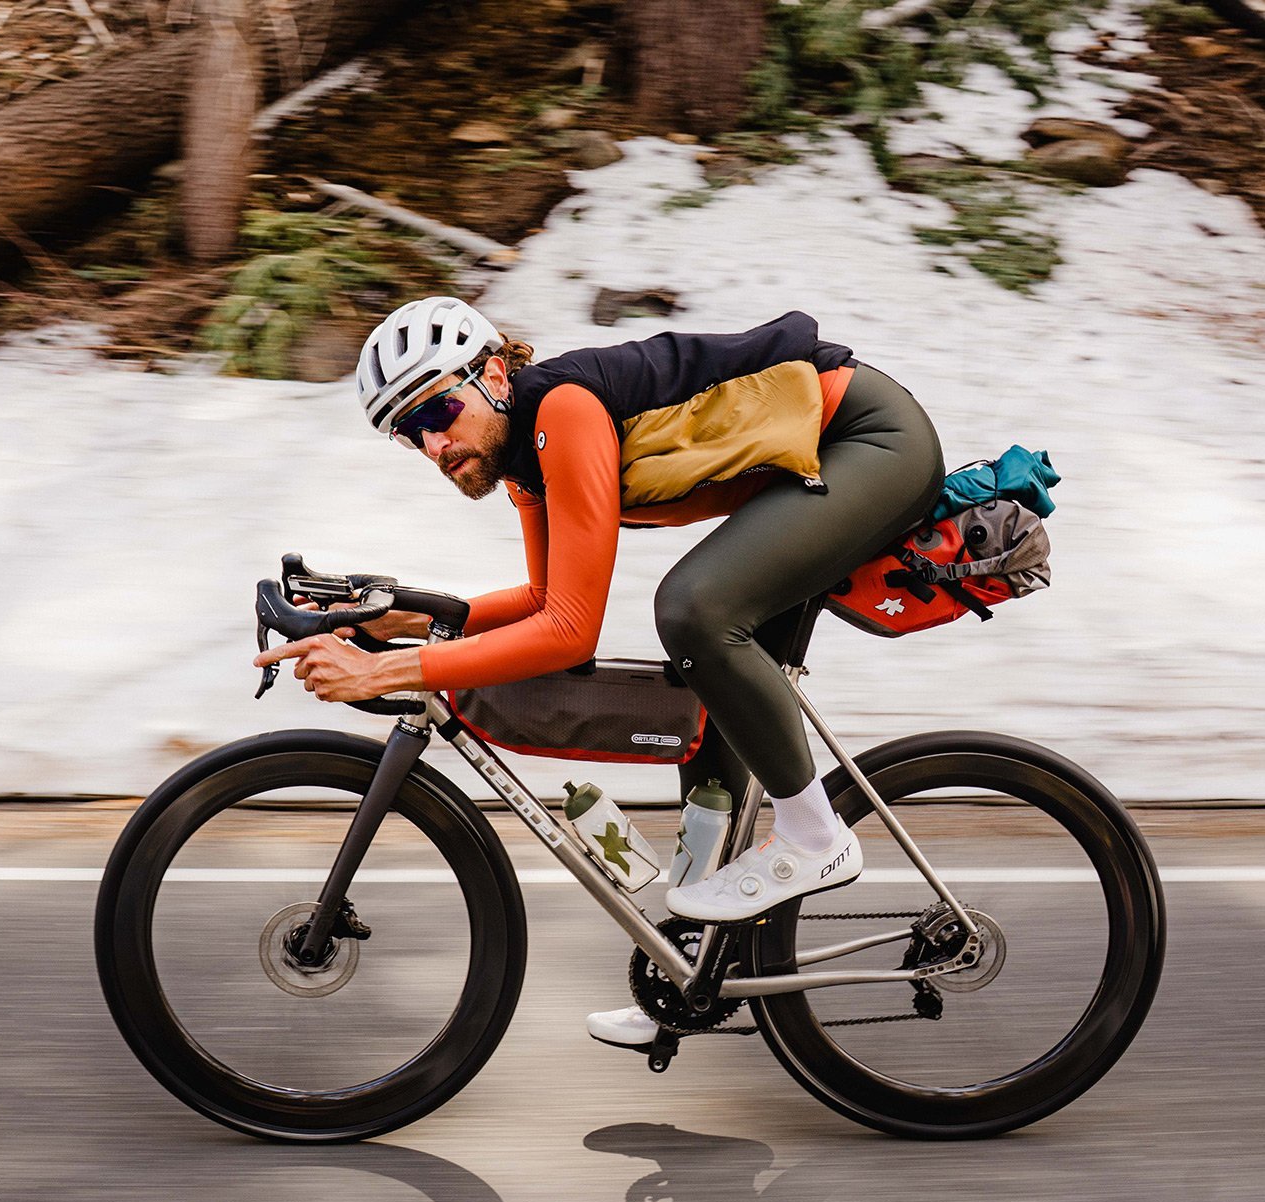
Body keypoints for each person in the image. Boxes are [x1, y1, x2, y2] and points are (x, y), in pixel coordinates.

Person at [257, 295, 944, 1050]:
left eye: (438, 412)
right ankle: (693, 969)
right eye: (408, 435)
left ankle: (816, 835)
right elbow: (545, 599)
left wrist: (385, 670)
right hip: (806, 473)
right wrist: (403, 618)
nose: (433, 445)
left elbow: (567, 632)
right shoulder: (523, 461)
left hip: (871, 440)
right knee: (708, 713)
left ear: (492, 373)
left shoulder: (564, 410)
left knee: (693, 611)